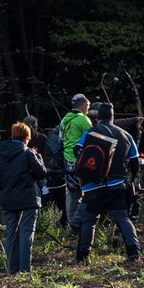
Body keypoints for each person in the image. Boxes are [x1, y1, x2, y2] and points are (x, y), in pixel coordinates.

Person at [72, 104, 142, 266]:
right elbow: (135, 161)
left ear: (98, 118)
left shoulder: (90, 132)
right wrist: (133, 180)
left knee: (88, 222)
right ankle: (134, 253)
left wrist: (89, 168)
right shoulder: (125, 135)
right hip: (117, 185)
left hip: (93, 186)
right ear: (112, 116)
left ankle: (82, 258)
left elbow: (77, 150)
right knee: (123, 219)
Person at [0, 121, 48, 273]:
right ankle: (24, 269)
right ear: (26, 138)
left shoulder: (2, 155)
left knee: (11, 233)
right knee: (26, 233)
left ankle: (11, 268)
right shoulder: (28, 153)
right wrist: (39, 156)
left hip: (9, 198)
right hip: (28, 197)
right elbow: (42, 172)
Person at [59, 94, 94, 228]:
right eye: (88, 107)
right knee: (88, 191)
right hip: (80, 160)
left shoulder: (64, 120)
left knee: (72, 192)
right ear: (84, 105)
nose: (88, 110)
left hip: (67, 160)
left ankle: (71, 221)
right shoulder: (83, 119)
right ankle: (79, 222)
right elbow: (94, 136)